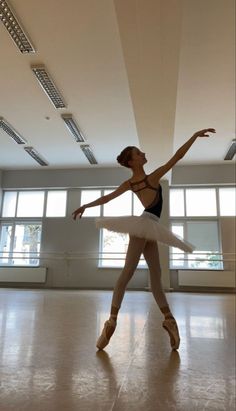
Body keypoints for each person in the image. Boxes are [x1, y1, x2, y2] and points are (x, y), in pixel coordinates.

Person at [72, 128, 216, 351]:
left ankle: (169, 320)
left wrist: (194, 136)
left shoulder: (140, 181)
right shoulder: (151, 178)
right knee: (127, 272)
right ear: (132, 161)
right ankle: (112, 320)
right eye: (138, 153)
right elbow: (108, 197)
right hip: (144, 226)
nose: (143, 153)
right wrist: (86, 206)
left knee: (155, 275)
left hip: (150, 228)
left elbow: (177, 156)